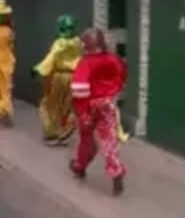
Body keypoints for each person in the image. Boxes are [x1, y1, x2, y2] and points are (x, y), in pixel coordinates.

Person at [69, 28, 128, 195]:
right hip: (107, 104)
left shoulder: (86, 62)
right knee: (109, 140)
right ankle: (116, 171)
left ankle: (80, 167)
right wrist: (112, 94)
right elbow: (123, 75)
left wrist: (82, 112)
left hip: (89, 105)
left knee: (87, 139)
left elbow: (79, 88)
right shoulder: (113, 59)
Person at [32, 14, 81, 145]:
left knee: (48, 105)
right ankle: (64, 130)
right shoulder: (77, 42)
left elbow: (51, 58)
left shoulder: (59, 43)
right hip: (74, 77)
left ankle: (52, 133)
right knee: (66, 106)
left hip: (59, 77)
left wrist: (37, 69)